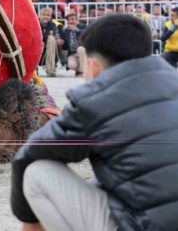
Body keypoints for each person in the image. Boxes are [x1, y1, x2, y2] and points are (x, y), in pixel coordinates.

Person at [11, 14, 178, 231]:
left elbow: (28, 156)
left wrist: (28, 219)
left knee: (37, 171)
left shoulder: (94, 101)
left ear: (94, 65)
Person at [59, 10, 85, 76]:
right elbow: (65, 48)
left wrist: (77, 30)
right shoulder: (65, 31)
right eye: (69, 20)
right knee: (71, 65)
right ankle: (78, 70)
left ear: (77, 20)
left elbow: (87, 35)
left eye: (73, 19)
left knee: (81, 49)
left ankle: (83, 72)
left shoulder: (83, 27)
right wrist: (61, 43)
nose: (71, 21)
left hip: (84, 52)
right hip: (73, 53)